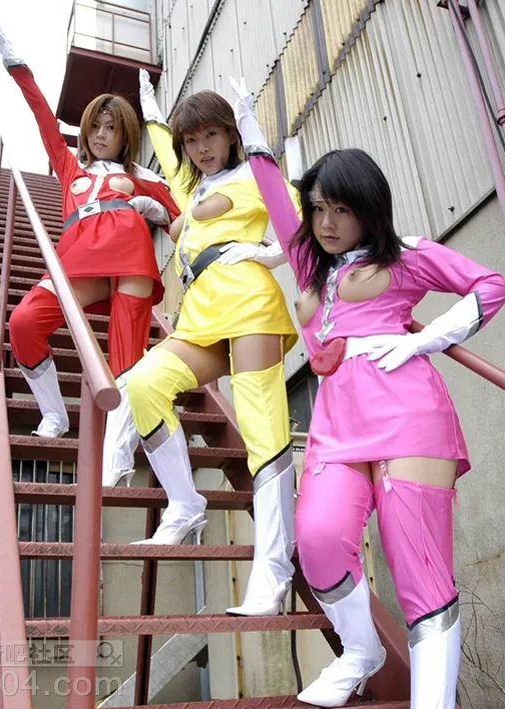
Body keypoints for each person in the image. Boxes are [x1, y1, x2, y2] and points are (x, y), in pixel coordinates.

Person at [229, 77, 505, 709]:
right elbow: (277, 205)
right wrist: (252, 136)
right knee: (319, 538)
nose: (327, 222)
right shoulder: (310, 261)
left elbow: (491, 285)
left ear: (369, 210)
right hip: (337, 421)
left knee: (419, 570)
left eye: (342, 209)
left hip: (410, 415)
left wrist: (426, 340)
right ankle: (359, 651)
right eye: (319, 208)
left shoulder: (406, 255)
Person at [124, 70, 299, 617]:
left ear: (230, 134)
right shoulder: (190, 186)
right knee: (145, 384)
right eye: (192, 139)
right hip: (200, 320)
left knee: (261, 429)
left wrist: (271, 255)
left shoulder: (254, 176)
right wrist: (151, 109)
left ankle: (273, 569)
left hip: (250, 307)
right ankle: (184, 503)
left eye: (211, 135)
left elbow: (299, 219)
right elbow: (163, 146)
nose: (201, 148)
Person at [0, 11, 179, 489]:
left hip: (130, 258)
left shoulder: (140, 177)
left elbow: (180, 220)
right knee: (23, 322)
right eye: (94, 126)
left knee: (127, 360)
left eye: (110, 127)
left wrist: (157, 214)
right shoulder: (70, 169)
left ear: (125, 134)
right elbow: (43, 117)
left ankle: (118, 457)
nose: (99, 134)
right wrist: (15, 62)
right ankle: (55, 413)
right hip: (79, 261)